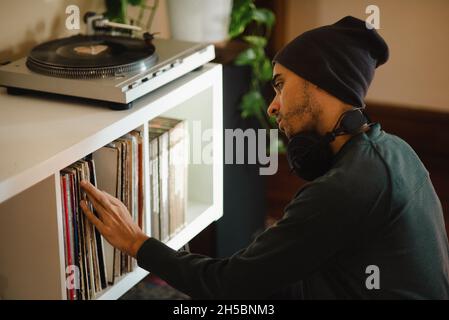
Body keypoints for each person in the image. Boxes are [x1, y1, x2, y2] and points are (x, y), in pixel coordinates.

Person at [80, 16, 449, 299]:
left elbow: (225, 286)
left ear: (320, 82)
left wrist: (136, 243)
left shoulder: (347, 187)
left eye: (280, 84)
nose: (272, 106)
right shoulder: (394, 150)